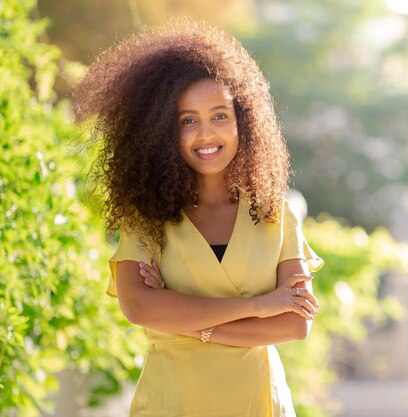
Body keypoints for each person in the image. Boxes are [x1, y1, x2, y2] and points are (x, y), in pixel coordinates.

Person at [72, 19, 323, 417]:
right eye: (187, 120)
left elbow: (295, 324)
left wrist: (190, 323)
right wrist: (260, 306)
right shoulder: (147, 217)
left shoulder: (276, 212)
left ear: (245, 121)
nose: (206, 134)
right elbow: (140, 310)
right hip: (173, 400)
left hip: (258, 401)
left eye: (220, 115)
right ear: (160, 132)